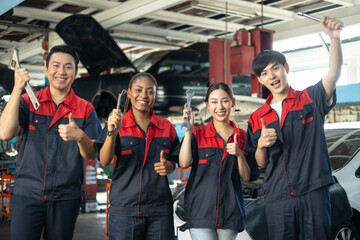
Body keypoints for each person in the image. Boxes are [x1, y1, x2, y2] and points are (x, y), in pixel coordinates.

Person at [245, 16, 344, 240]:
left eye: (275, 69)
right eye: (264, 74)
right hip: (278, 198)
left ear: (286, 68)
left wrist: (335, 39)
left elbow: (334, 74)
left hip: (313, 193)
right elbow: (261, 162)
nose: (271, 76)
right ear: (260, 80)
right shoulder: (256, 117)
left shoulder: (310, 98)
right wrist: (261, 145)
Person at [0, 45, 101, 240]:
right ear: (46, 70)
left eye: (68, 67)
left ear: (76, 72)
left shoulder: (86, 109)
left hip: (65, 198)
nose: (61, 72)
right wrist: (17, 88)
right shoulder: (28, 102)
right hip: (27, 194)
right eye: (56, 65)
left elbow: (91, 154)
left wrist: (80, 136)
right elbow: (4, 133)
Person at [96, 72, 180, 240]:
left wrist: (169, 166)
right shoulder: (117, 123)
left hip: (159, 210)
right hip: (125, 210)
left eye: (150, 91)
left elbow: (176, 159)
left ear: (155, 96)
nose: (144, 95)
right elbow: (104, 160)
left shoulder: (166, 126)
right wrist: (112, 132)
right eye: (139, 90)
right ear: (129, 93)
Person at [179, 82, 259, 240]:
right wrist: (189, 131)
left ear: (232, 102)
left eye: (225, 100)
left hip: (230, 210)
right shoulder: (197, 134)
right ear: (207, 105)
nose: (220, 106)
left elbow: (246, 177)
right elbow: (184, 163)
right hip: (200, 210)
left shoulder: (243, 136)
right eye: (214, 102)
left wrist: (240, 155)